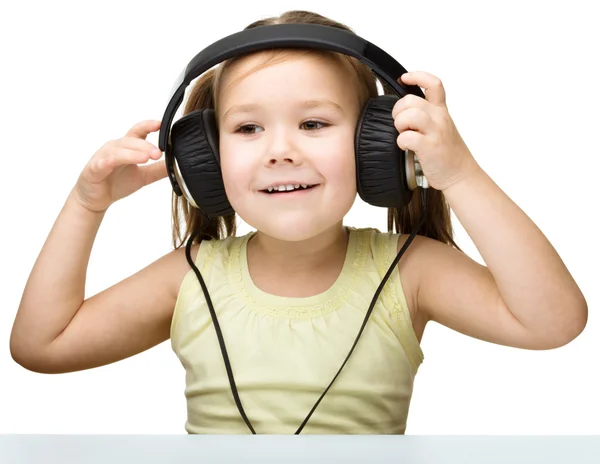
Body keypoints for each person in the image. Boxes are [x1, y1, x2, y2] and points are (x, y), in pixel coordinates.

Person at [10, 10, 587, 435]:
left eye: (313, 124)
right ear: (203, 160)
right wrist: (87, 206)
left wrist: (459, 175)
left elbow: (552, 322)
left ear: (378, 148)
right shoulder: (192, 276)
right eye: (248, 129)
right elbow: (42, 346)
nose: (280, 151)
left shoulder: (409, 271)